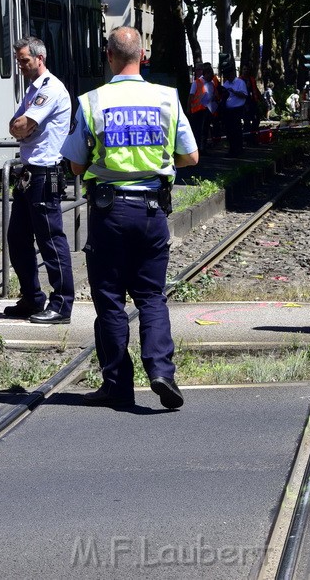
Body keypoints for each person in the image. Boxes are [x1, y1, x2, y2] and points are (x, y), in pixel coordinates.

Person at [61, 26, 199, 409]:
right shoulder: (166, 99)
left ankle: (117, 384)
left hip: (109, 211)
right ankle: (161, 372)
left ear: (109, 56)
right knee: (151, 296)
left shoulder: (91, 102)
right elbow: (191, 157)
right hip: (152, 209)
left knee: (109, 298)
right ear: (143, 56)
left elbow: (75, 164)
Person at [4, 36, 75, 324]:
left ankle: (61, 303)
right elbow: (16, 126)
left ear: (40, 58)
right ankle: (32, 298)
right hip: (28, 172)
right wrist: (21, 127)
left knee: (50, 239)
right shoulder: (34, 90)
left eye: (25, 60)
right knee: (17, 238)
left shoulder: (51, 89)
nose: (20, 65)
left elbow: (22, 125)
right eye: (19, 60)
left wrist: (22, 127)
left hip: (45, 174)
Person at [220, 63, 248, 156]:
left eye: (228, 75)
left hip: (237, 109)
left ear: (232, 74)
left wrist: (234, 92)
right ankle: (232, 149)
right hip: (228, 110)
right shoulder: (226, 83)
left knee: (237, 130)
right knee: (229, 130)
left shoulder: (240, 82)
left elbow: (244, 95)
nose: (227, 77)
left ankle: (239, 149)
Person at [188, 65, 212, 152]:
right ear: (205, 74)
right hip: (196, 111)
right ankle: (196, 149)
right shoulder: (197, 82)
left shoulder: (210, 83)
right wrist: (189, 109)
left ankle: (203, 148)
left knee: (204, 130)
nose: (211, 76)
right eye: (210, 74)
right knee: (197, 131)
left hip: (206, 110)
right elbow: (191, 96)